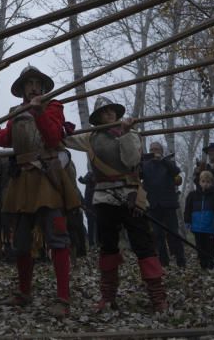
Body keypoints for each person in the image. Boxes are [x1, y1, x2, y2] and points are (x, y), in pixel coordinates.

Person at [0, 65, 79, 317]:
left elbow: (53, 138)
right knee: (20, 241)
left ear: (42, 86)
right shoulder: (15, 112)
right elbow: (6, 138)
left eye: (36, 82)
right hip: (21, 180)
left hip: (46, 177)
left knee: (56, 237)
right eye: (27, 83)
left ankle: (63, 299)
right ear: (21, 88)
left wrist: (40, 112)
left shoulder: (54, 107)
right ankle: (23, 292)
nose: (32, 86)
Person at [63, 96, 167, 312]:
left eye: (111, 110)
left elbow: (131, 161)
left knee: (143, 245)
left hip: (131, 196)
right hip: (103, 198)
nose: (109, 114)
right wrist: (61, 128)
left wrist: (127, 133)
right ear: (98, 117)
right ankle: (108, 297)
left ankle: (158, 298)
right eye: (104, 112)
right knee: (107, 247)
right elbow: (65, 139)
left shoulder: (132, 134)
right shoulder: (90, 137)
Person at [141, 141, 185, 269]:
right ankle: (163, 262)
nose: (154, 151)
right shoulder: (145, 165)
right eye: (151, 149)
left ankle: (181, 261)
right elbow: (137, 175)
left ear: (161, 151)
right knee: (157, 235)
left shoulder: (168, 163)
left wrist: (163, 160)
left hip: (168, 204)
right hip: (153, 205)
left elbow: (176, 172)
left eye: (156, 149)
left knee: (174, 234)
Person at [184, 170, 214, 269]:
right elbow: (187, 209)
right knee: (200, 247)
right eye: (203, 181)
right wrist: (187, 221)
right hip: (197, 228)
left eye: (208, 182)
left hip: (210, 228)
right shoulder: (192, 195)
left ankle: (210, 265)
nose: (205, 184)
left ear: (212, 183)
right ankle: (203, 265)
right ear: (199, 182)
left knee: (209, 248)